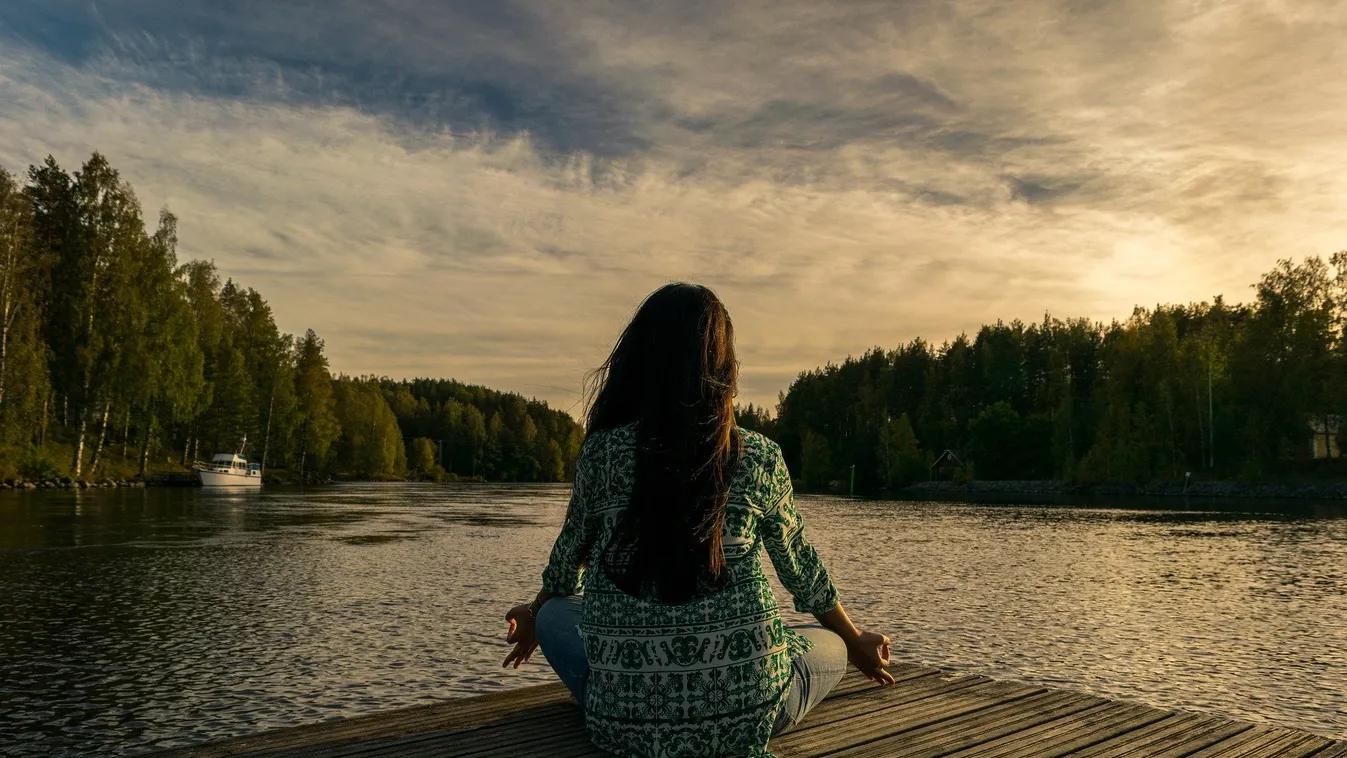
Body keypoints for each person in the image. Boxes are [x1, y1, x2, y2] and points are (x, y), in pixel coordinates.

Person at [503, 283, 894, 758]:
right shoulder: (759, 457)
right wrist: (855, 639)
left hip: (626, 726)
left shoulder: (602, 453)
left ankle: (615, 693)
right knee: (826, 641)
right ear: (724, 369)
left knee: (555, 615)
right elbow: (802, 571)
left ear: (639, 361)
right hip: (747, 717)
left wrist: (534, 613)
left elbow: (567, 565)